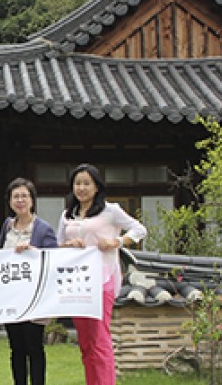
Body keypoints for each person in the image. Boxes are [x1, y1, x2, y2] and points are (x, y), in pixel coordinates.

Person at [57, 164, 147, 385]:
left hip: (103, 279)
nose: (82, 188)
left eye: (87, 183)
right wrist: (69, 245)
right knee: (86, 341)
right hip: (77, 282)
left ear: (97, 186)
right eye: (77, 183)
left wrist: (117, 242)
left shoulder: (110, 210)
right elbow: (58, 244)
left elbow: (139, 230)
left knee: (100, 338)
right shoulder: (67, 215)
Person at [0, 177, 57, 385]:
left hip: (35, 297)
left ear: (32, 200)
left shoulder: (43, 229)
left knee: (34, 347)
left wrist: (34, 253)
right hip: (12, 298)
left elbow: (53, 260)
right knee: (16, 348)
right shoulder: (6, 226)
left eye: (24, 196)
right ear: (10, 201)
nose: (20, 200)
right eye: (16, 196)